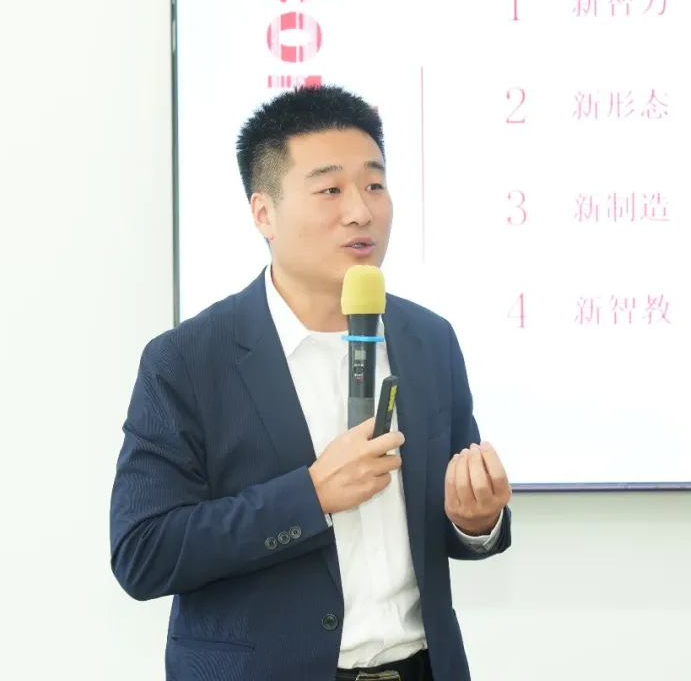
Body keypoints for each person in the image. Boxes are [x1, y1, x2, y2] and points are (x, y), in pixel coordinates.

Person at [109, 84, 513, 681]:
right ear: (263, 213)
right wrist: (311, 496)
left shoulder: (429, 339)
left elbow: (454, 524)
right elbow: (143, 553)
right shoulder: (187, 361)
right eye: (330, 190)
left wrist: (475, 520)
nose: (361, 212)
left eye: (374, 185)